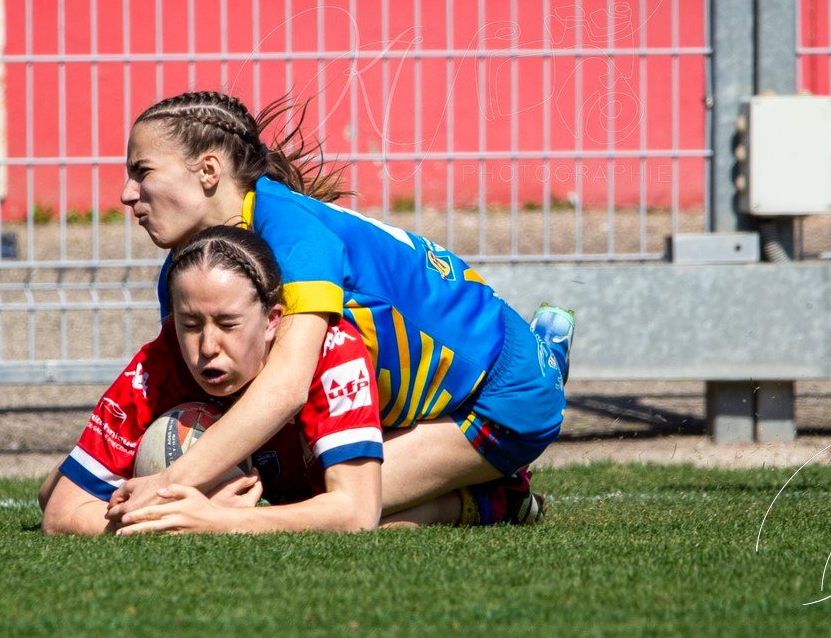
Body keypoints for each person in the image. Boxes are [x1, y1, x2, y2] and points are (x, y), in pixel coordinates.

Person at [104, 91, 574, 528]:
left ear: (208, 171)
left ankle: (500, 496)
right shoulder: (189, 271)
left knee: (316, 505)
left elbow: (286, 389)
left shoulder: (294, 234)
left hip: (498, 397)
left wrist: (168, 485)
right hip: (425, 398)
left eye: (142, 171)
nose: (127, 194)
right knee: (286, 478)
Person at [39, 225, 386, 534]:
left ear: (271, 320)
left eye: (228, 324)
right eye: (190, 324)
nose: (207, 346)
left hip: (429, 417)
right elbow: (60, 513)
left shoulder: (332, 351)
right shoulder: (160, 363)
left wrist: (218, 520)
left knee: (404, 490)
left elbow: (355, 511)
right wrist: (173, 515)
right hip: (290, 484)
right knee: (52, 484)